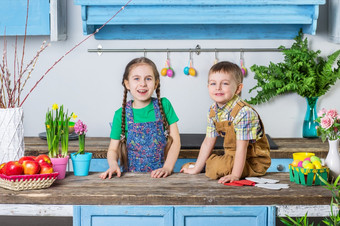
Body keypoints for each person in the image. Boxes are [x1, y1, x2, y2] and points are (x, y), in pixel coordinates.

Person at [180, 61, 271, 183]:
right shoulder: (213, 111)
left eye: (225, 83)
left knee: (220, 166)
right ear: (208, 87)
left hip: (252, 160)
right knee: (218, 164)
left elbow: (242, 148)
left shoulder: (244, 112)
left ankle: (209, 166)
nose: (218, 88)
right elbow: (208, 142)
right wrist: (196, 168)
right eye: (213, 83)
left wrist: (235, 175)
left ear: (238, 88)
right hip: (231, 157)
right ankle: (202, 165)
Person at [100, 57, 180, 179]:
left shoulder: (164, 105)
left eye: (148, 79)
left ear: (156, 83)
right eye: (136, 78)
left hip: (162, 177)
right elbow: (112, 150)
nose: (142, 83)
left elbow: (176, 142)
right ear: (127, 84)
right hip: (131, 178)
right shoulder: (120, 114)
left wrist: (167, 168)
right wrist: (113, 164)